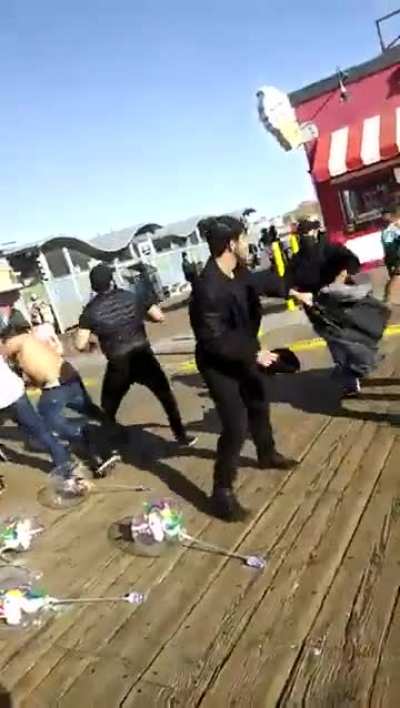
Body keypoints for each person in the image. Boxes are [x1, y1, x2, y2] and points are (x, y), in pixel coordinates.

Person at [189, 215, 300, 522]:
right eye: (245, 239)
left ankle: (266, 454)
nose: (249, 244)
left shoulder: (238, 271)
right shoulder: (207, 287)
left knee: (258, 401)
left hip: (244, 351)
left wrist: (293, 292)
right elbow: (213, 340)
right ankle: (221, 493)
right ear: (231, 244)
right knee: (235, 426)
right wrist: (255, 354)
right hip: (217, 362)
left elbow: (261, 282)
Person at [75, 263, 196, 447]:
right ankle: (181, 436)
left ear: (93, 286)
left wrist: (93, 340)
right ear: (112, 280)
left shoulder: (90, 311)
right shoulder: (131, 297)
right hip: (143, 356)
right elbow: (159, 316)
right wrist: (140, 316)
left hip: (118, 364)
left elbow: (79, 344)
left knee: (108, 407)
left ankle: (111, 445)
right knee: (166, 396)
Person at [2, 324, 118, 477]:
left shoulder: (18, 340)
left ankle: (85, 436)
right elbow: (35, 369)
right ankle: (114, 429)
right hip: (67, 375)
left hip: (55, 385)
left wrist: (5, 349)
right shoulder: (31, 344)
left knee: (49, 419)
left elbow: (4, 351)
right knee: (86, 407)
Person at [301, 249, 390, 397]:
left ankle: (349, 383)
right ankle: (348, 376)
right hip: (340, 330)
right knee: (359, 358)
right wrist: (367, 285)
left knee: (342, 357)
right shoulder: (334, 289)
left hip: (329, 329)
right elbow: (359, 292)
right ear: (341, 271)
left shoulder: (321, 286)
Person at [0, 352, 84, 484]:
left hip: (8, 397)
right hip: (15, 394)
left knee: (40, 432)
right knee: (42, 432)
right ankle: (67, 469)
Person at [381, 207, 400, 304]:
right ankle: (386, 297)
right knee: (394, 277)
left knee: (395, 276)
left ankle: (386, 297)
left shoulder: (394, 226)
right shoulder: (389, 230)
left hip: (394, 256)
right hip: (393, 258)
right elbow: (389, 246)